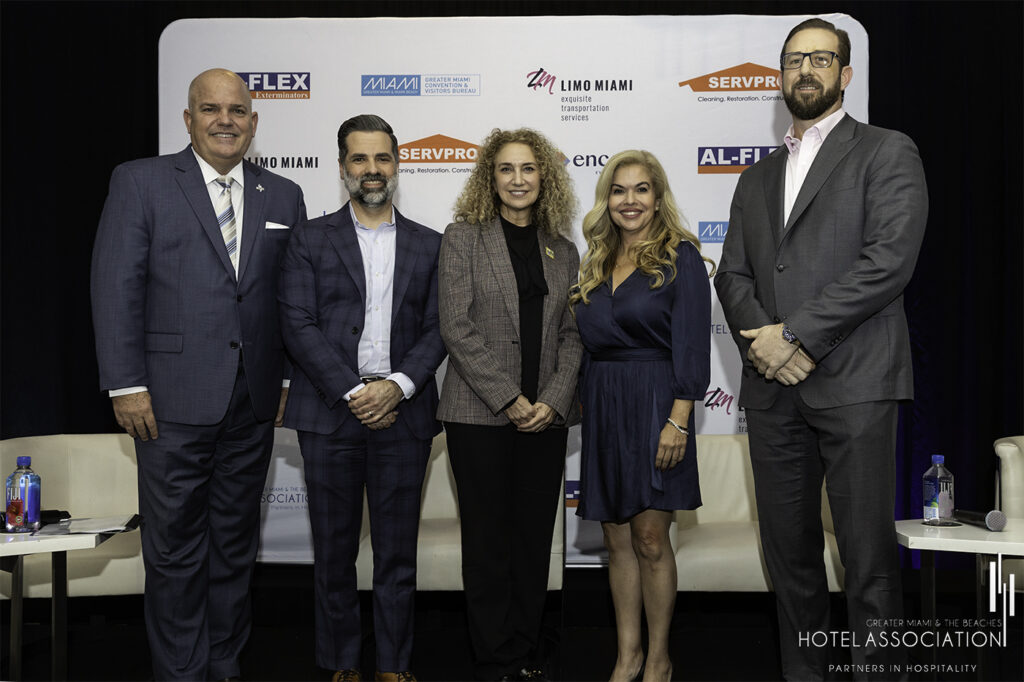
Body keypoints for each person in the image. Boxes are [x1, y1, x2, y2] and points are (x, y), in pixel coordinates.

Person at [715, 17, 928, 680]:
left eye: (820, 58)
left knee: (868, 563)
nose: (805, 70)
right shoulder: (756, 177)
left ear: (845, 73)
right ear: (780, 77)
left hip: (856, 382)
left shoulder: (886, 151)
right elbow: (732, 276)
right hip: (772, 393)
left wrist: (794, 336)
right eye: (793, 60)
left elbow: (888, 262)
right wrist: (770, 347)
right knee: (790, 562)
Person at [90, 68, 306, 680]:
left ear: (253, 122)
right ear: (188, 119)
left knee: (235, 546)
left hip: (253, 401)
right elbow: (115, 286)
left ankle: (223, 664)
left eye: (237, 111)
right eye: (210, 109)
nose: (224, 121)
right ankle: (181, 672)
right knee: (174, 550)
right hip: (167, 401)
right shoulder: (141, 181)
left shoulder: (283, 193)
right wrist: (126, 384)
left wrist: (285, 380)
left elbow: (291, 296)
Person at [278, 114, 446, 682]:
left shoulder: (431, 243)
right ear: (342, 166)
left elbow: (440, 327)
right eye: (359, 159)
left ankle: (394, 665)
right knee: (333, 552)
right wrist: (355, 391)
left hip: (405, 414)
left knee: (398, 553)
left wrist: (396, 387)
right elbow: (297, 323)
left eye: (382, 158)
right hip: (331, 413)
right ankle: (341, 663)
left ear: (397, 164)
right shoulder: (308, 238)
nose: (372, 170)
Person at [437, 128, 582, 682]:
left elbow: (572, 334)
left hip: (546, 419)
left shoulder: (563, 250)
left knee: (532, 540)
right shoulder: (463, 238)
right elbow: (456, 326)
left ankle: (525, 649)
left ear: (544, 177)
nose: (518, 179)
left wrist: (552, 400)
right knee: (487, 541)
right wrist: (509, 399)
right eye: (506, 169)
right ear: (489, 178)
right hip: (479, 416)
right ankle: (494, 656)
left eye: (528, 168)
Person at [571, 150, 713, 682]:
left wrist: (679, 418)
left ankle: (659, 659)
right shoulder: (596, 261)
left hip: (658, 403)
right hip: (604, 405)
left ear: (657, 197)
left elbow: (692, 345)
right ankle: (627, 656)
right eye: (618, 190)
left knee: (651, 539)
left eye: (641, 189)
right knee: (616, 541)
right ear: (606, 200)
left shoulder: (681, 258)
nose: (629, 200)